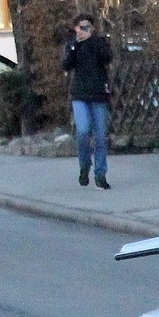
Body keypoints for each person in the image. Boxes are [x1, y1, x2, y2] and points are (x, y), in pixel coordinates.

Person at [62, 13, 115, 189]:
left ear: (92, 28)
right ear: (76, 28)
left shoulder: (99, 43)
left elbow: (107, 57)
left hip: (98, 94)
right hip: (80, 95)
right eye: (81, 27)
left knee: (100, 136)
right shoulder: (73, 45)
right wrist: (76, 45)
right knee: (83, 131)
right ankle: (84, 165)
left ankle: (100, 174)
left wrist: (91, 40)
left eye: (87, 27)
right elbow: (66, 65)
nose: (84, 30)